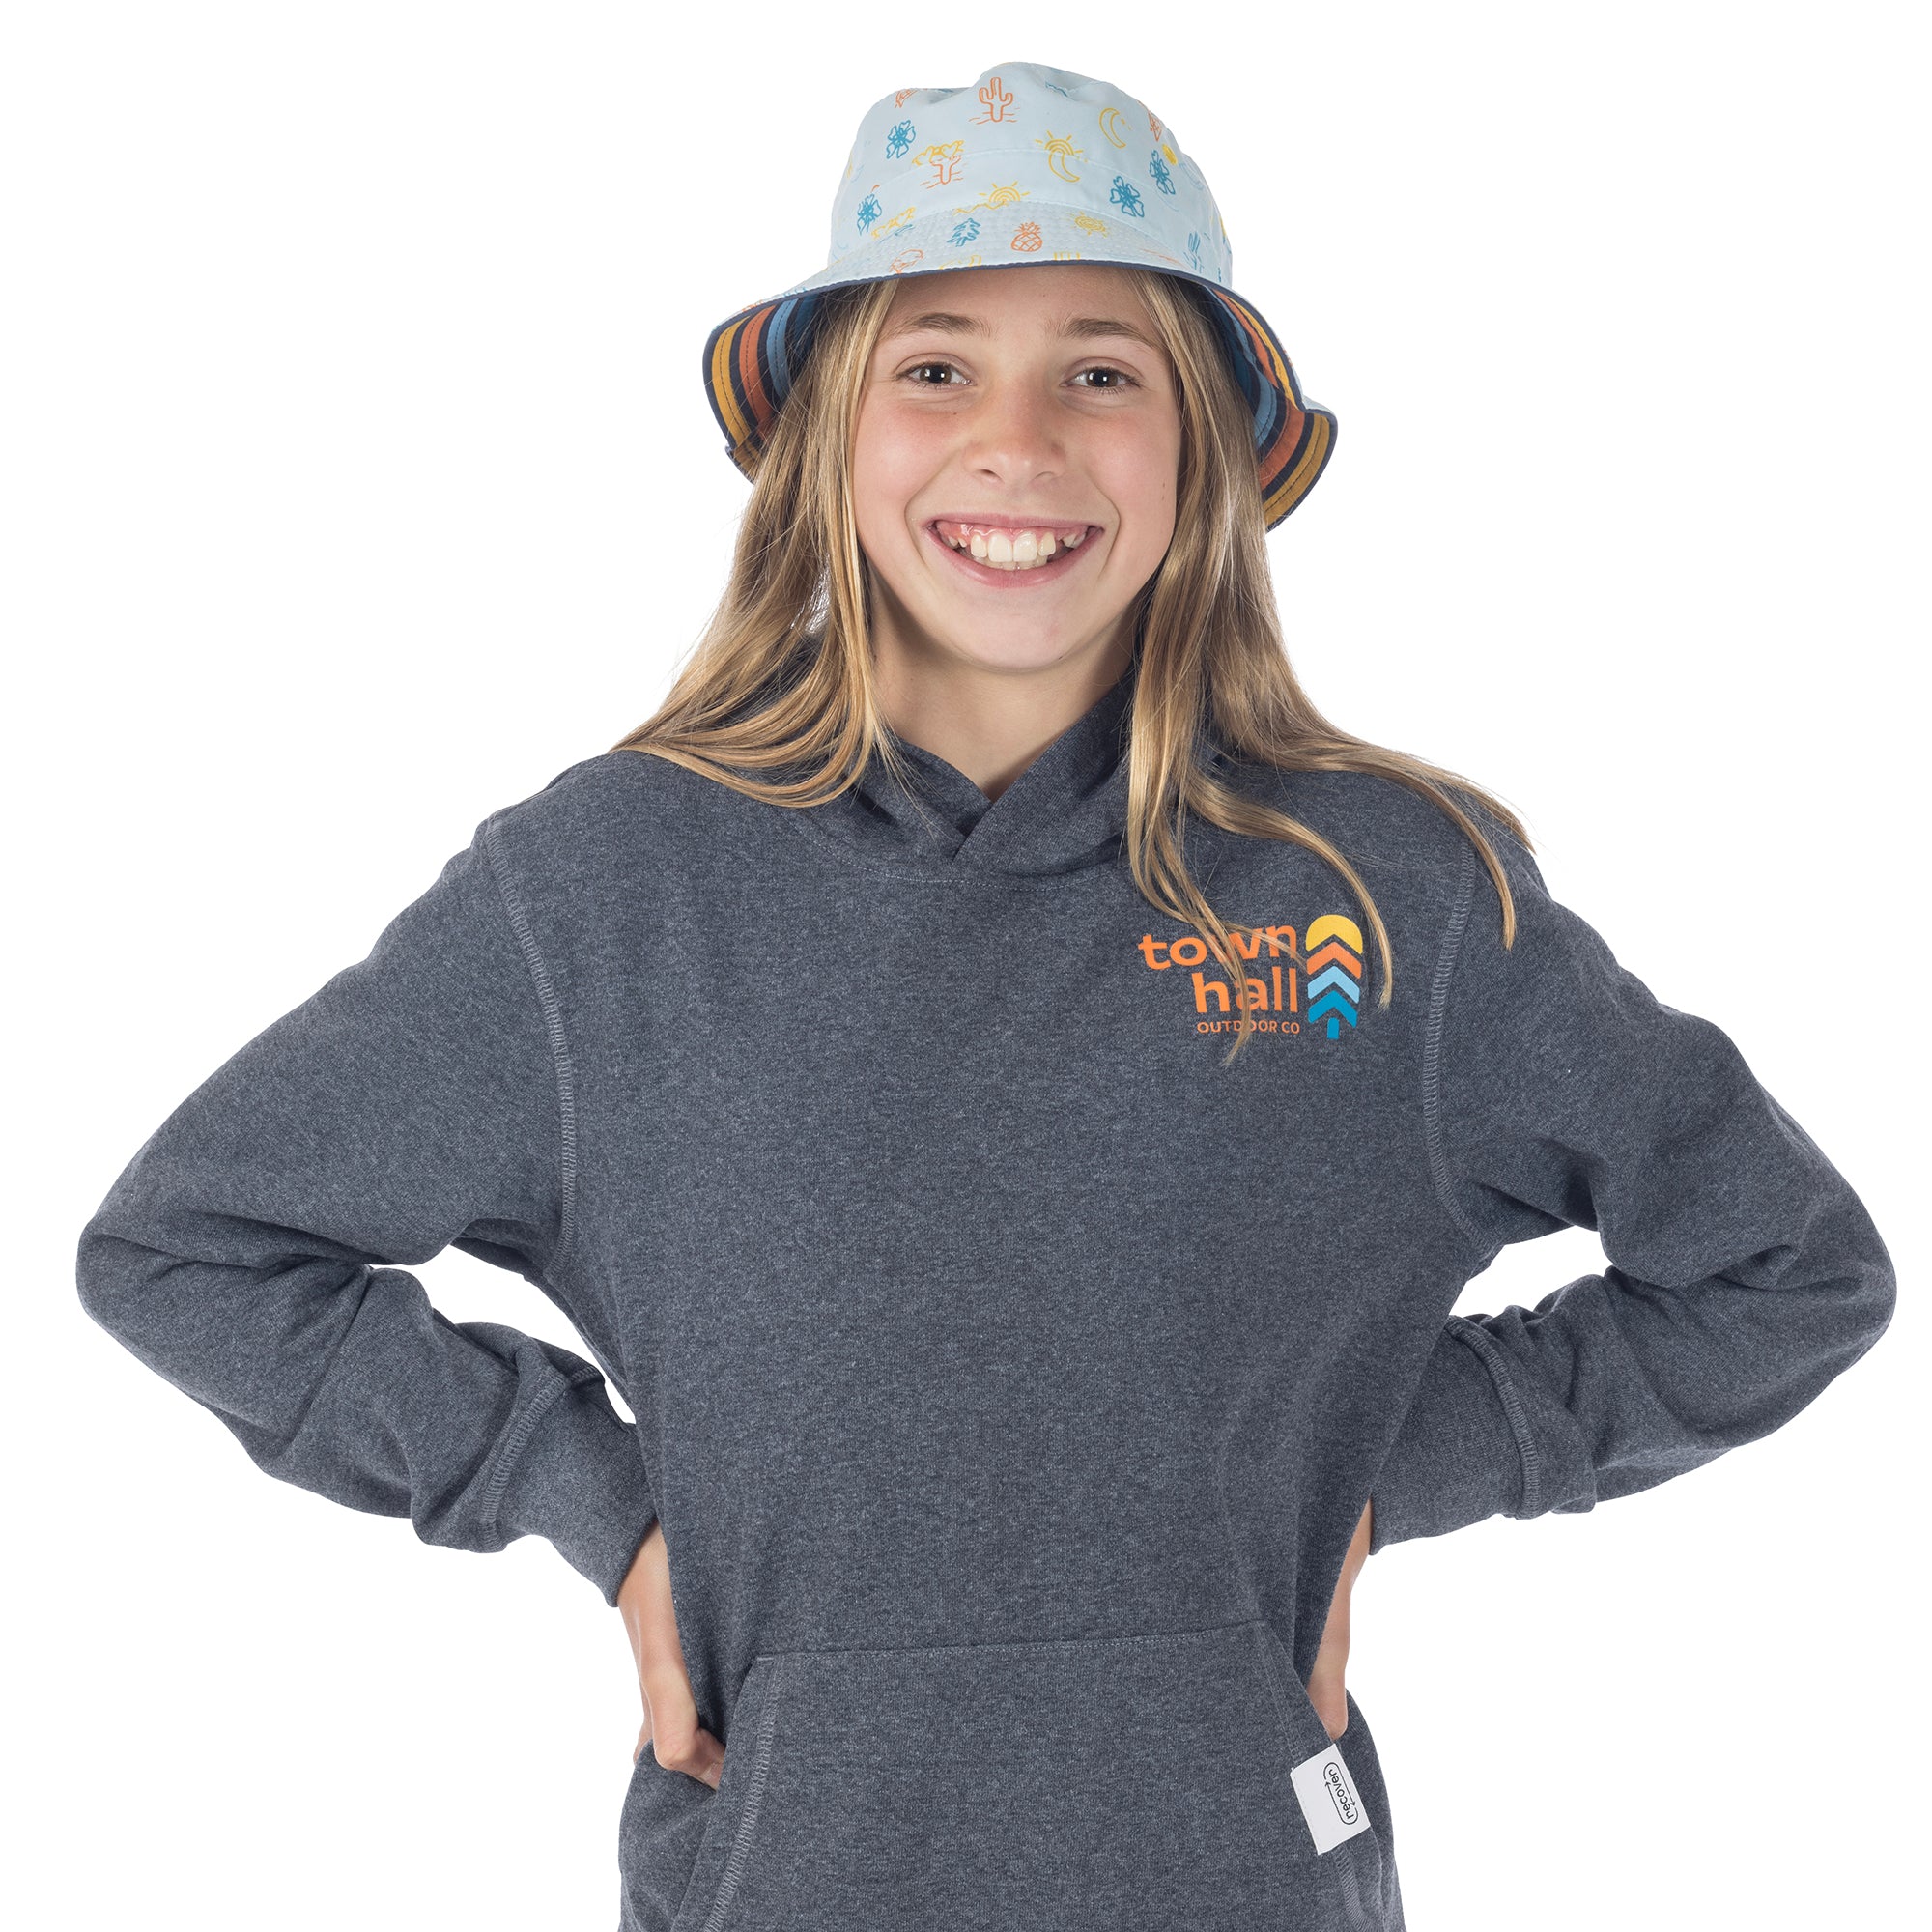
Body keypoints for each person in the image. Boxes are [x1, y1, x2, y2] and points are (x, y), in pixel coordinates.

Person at [73, 60, 1896, 1932]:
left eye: (1101, 372)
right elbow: (192, 1245)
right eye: (935, 365)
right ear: (825, 439)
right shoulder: (600, 899)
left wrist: (1374, 1475)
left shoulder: (1384, 898)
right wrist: (596, 1508)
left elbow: (1784, 1267)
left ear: (1203, 449)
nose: (1015, 441)